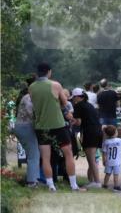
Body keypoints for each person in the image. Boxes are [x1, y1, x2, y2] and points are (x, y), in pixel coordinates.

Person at [30, 62, 83, 191]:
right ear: (49, 72)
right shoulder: (55, 85)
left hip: (41, 126)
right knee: (68, 153)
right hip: (58, 125)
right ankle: (73, 185)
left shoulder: (31, 87)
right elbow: (65, 104)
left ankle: (51, 185)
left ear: (37, 73)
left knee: (46, 157)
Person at [70, 88, 103, 187]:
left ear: (76, 97)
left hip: (90, 132)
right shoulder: (88, 104)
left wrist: (70, 120)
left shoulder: (78, 106)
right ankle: (92, 181)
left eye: (73, 98)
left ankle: (96, 182)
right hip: (97, 131)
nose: (72, 100)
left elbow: (78, 122)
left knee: (91, 159)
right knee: (91, 158)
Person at [14, 77, 41, 188]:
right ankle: (31, 182)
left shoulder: (28, 96)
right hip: (25, 127)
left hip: (24, 126)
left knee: (34, 153)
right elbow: (31, 113)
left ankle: (34, 179)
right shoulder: (29, 97)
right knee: (33, 155)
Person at [100, 124, 121, 191]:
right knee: (116, 174)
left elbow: (104, 152)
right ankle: (116, 186)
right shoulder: (119, 140)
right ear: (115, 133)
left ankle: (105, 184)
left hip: (108, 161)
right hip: (117, 162)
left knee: (107, 174)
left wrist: (104, 160)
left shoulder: (106, 142)